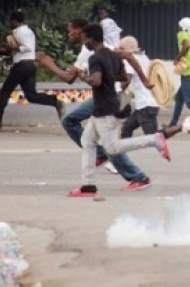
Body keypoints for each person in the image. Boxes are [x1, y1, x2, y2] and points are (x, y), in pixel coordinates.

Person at [66, 23, 190, 198]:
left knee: (112, 148)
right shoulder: (113, 56)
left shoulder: (95, 58)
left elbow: (97, 81)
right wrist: (137, 80)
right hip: (110, 105)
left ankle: (156, 139)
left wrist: (86, 78)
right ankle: (87, 186)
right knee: (88, 141)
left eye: (84, 38)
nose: (84, 42)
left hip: (104, 108)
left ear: (91, 38)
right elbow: (122, 75)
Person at [39, 19, 153, 189]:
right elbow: (128, 56)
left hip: (107, 96)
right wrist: (144, 80)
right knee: (94, 139)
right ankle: (107, 163)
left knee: (77, 125)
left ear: (81, 32)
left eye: (70, 30)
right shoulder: (96, 47)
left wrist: (50, 65)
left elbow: (70, 78)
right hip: (108, 95)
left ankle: (136, 172)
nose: (68, 34)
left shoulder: (89, 51)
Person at [0, 11, 63, 130]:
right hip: (30, 65)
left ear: (15, 21)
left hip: (22, 66)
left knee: (5, 91)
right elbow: (25, 48)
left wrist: (11, 47)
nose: (10, 23)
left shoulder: (20, 32)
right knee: (31, 96)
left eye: (11, 21)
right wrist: (6, 48)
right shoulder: (28, 31)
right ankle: (55, 102)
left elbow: (27, 47)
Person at [117, 36, 178, 139]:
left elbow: (127, 79)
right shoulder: (144, 57)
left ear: (126, 49)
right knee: (126, 128)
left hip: (146, 104)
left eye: (121, 49)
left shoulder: (129, 60)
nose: (119, 52)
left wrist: (119, 90)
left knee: (153, 138)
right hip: (146, 104)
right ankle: (121, 153)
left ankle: (184, 127)